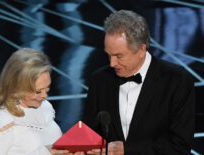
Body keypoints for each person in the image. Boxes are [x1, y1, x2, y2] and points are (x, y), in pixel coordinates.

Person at [83, 10, 195, 155]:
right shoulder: (99, 80)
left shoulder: (178, 81)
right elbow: (90, 133)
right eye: (108, 55)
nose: (112, 63)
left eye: (119, 56)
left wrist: (127, 150)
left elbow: (180, 145)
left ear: (141, 49)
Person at [0, 48, 70, 155]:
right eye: (38, 91)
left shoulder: (45, 107)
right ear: (18, 87)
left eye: (47, 88)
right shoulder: (4, 119)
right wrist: (44, 152)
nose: (44, 95)